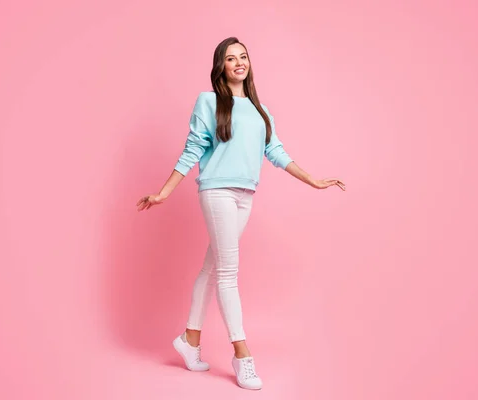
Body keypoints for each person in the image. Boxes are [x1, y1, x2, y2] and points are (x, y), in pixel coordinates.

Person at [136, 37, 345, 390]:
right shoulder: (210, 101)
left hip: (246, 194)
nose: (239, 62)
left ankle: (189, 340)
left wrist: (312, 180)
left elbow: (275, 151)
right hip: (217, 190)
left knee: (213, 267)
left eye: (243, 56)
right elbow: (192, 149)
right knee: (229, 272)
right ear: (221, 66)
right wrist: (164, 192)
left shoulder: (261, 111)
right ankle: (242, 355)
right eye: (231, 58)